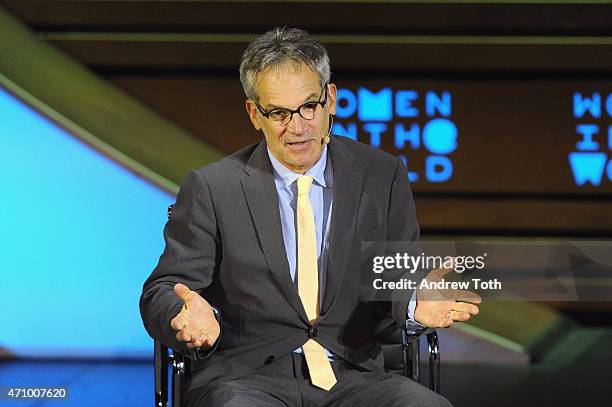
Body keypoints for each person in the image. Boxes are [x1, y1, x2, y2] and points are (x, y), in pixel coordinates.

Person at [140, 27, 479, 407]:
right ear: (255, 114)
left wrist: (416, 305)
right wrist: (182, 314)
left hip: (352, 375)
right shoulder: (213, 186)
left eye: (308, 107)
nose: (297, 127)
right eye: (279, 113)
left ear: (330, 99)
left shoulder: (382, 175)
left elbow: (396, 280)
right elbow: (163, 290)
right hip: (245, 378)